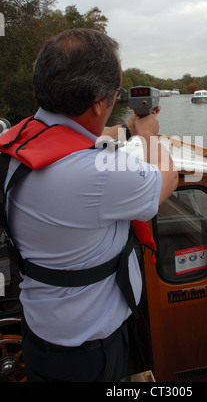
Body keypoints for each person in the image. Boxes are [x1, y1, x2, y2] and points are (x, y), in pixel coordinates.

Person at [1, 29, 178, 382]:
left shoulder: (17, 139)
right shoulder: (101, 173)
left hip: (40, 334)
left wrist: (126, 128)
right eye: (115, 96)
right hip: (90, 353)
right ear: (98, 103)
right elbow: (166, 179)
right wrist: (149, 136)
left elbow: (69, 139)